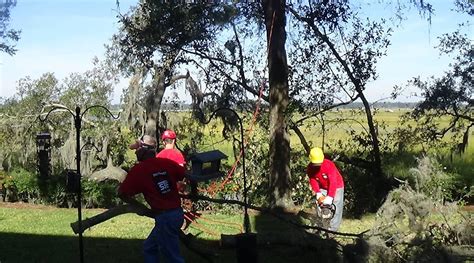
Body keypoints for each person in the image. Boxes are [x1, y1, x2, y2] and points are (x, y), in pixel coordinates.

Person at [118, 135, 185, 263]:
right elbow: (183, 174)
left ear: (143, 150)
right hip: (176, 213)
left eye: (137, 148)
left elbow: (122, 193)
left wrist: (137, 206)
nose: (135, 151)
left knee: (173, 257)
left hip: (165, 218)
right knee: (149, 248)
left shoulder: (139, 170)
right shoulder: (167, 163)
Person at [306, 147, 345, 232]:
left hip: (337, 186)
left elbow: (333, 182)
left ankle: (332, 230)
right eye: (315, 164)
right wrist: (318, 193)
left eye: (319, 163)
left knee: (336, 207)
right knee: (320, 205)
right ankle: (321, 225)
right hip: (322, 187)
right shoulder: (310, 168)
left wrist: (330, 197)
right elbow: (313, 180)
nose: (317, 165)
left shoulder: (329, 165)